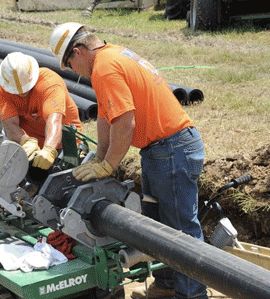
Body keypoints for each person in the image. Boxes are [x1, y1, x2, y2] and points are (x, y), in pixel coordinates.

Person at [50, 23, 207, 299]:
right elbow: (105, 118)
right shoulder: (113, 56)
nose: (72, 71)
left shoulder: (105, 68)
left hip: (172, 149)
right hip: (161, 150)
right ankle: (167, 285)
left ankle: (192, 295)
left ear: (78, 51)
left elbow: (125, 122)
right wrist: (98, 157)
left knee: (181, 233)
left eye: (69, 64)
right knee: (159, 226)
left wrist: (109, 164)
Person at [0, 51, 82, 172]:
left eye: (26, 89)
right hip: (31, 144)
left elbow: (54, 120)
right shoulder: (0, 87)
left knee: (66, 177)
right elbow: (9, 124)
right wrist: (25, 140)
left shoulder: (49, 83)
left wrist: (49, 150)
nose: (21, 93)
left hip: (64, 141)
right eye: (15, 91)